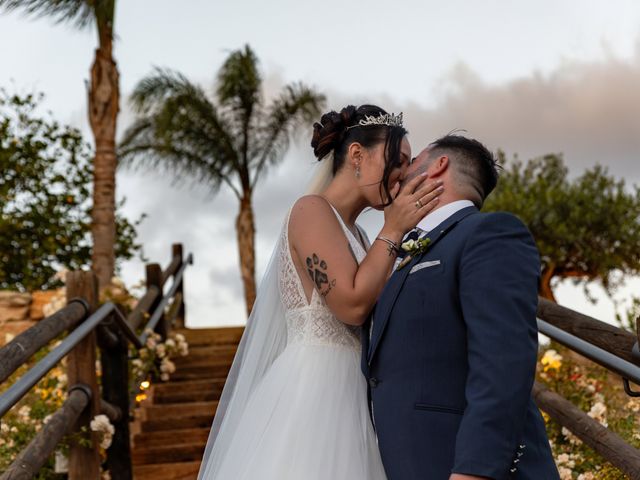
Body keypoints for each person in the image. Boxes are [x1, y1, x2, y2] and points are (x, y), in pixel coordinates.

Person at [197, 104, 444, 479]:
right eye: (398, 160)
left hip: (356, 392)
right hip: (314, 393)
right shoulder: (311, 211)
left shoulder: (362, 235)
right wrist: (393, 230)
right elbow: (351, 305)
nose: (402, 175)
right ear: (357, 155)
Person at [362, 134, 559, 480]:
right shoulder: (403, 251)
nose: (401, 170)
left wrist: (474, 471)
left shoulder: (489, 234)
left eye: (412, 161)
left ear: (438, 166)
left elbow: (504, 362)